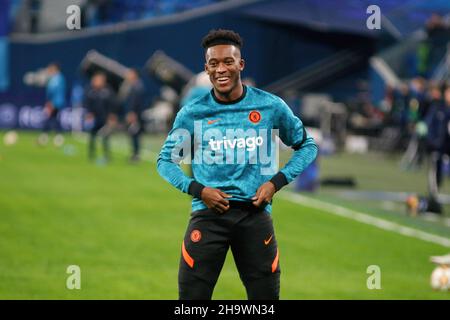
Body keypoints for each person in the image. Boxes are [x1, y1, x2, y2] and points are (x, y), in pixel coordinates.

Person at [157, 29, 318, 300]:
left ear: (240, 64)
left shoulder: (270, 106)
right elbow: (165, 161)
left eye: (228, 62)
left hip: (255, 218)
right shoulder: (193, 113)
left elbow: (307, 146)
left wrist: (275, 183)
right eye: (213, 64)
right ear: (206, 69)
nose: (221, 69)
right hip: (207, 217)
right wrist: (198, 190)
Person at [84, 72, 117, 163]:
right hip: (94, 119)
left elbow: (112, 104)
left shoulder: (108, 91)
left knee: (105, 137)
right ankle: (91, 155)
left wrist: (111, 116)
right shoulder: (91, 91)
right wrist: (89, 114)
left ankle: (107, 155)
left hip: (104, 119)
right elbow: (87, 104)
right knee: (92, 136)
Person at [119, 68, 145, 162]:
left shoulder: (138, 86)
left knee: (135, 134)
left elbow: (136, 102)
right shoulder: (131, 85)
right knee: (132, 134)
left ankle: (136, 155)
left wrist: (133, 113)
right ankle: (134, 154)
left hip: (136, 115)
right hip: (133, 113)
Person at [37, 62, 66, 147]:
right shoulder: (55, 78)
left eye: (51, 68)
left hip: (55, 102)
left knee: (52, 118)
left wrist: (51, 103)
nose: (49, 70)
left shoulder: (57, 78)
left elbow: (54, 91)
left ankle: (55, 137)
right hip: (54, 102)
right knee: (51, 118)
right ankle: (47, 136)